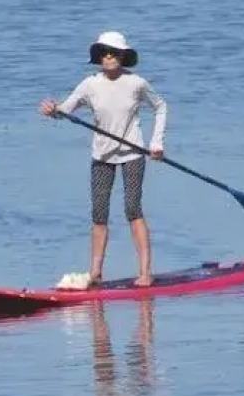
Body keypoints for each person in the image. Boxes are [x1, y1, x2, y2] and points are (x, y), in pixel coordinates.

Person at [40, 31, 168, 287]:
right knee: (99, 214)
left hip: (133, 154)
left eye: (114, 53)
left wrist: (156, 143)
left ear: (122, 56)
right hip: (102, 156)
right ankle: (96, 273)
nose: (109, 58)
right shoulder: (90, 85)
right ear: (99, 57)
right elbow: (66, 111)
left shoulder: (137, 84)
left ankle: (145, 273)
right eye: (104, 53)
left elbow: (161, 106)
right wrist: (53, 111)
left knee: (133, 210)